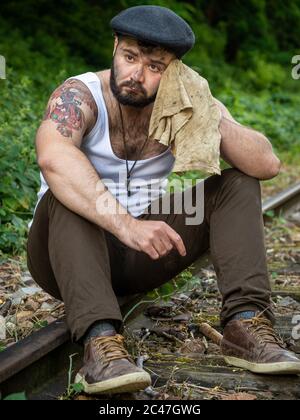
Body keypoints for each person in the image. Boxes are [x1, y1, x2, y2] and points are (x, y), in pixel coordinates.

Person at [27, 5, 300, 395]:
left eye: (155, 67)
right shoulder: (80, 95)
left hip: (137, 258)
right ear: (115, 47)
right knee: (64, 195)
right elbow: (53, 156)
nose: (136, 75)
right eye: (130, 57)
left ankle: (246, 325)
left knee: (238, 182)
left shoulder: (182, 104)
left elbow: (267, 163)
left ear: (174, 71)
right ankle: (101, 344)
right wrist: (126, 224)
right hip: (62, 255)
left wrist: (206, 111)